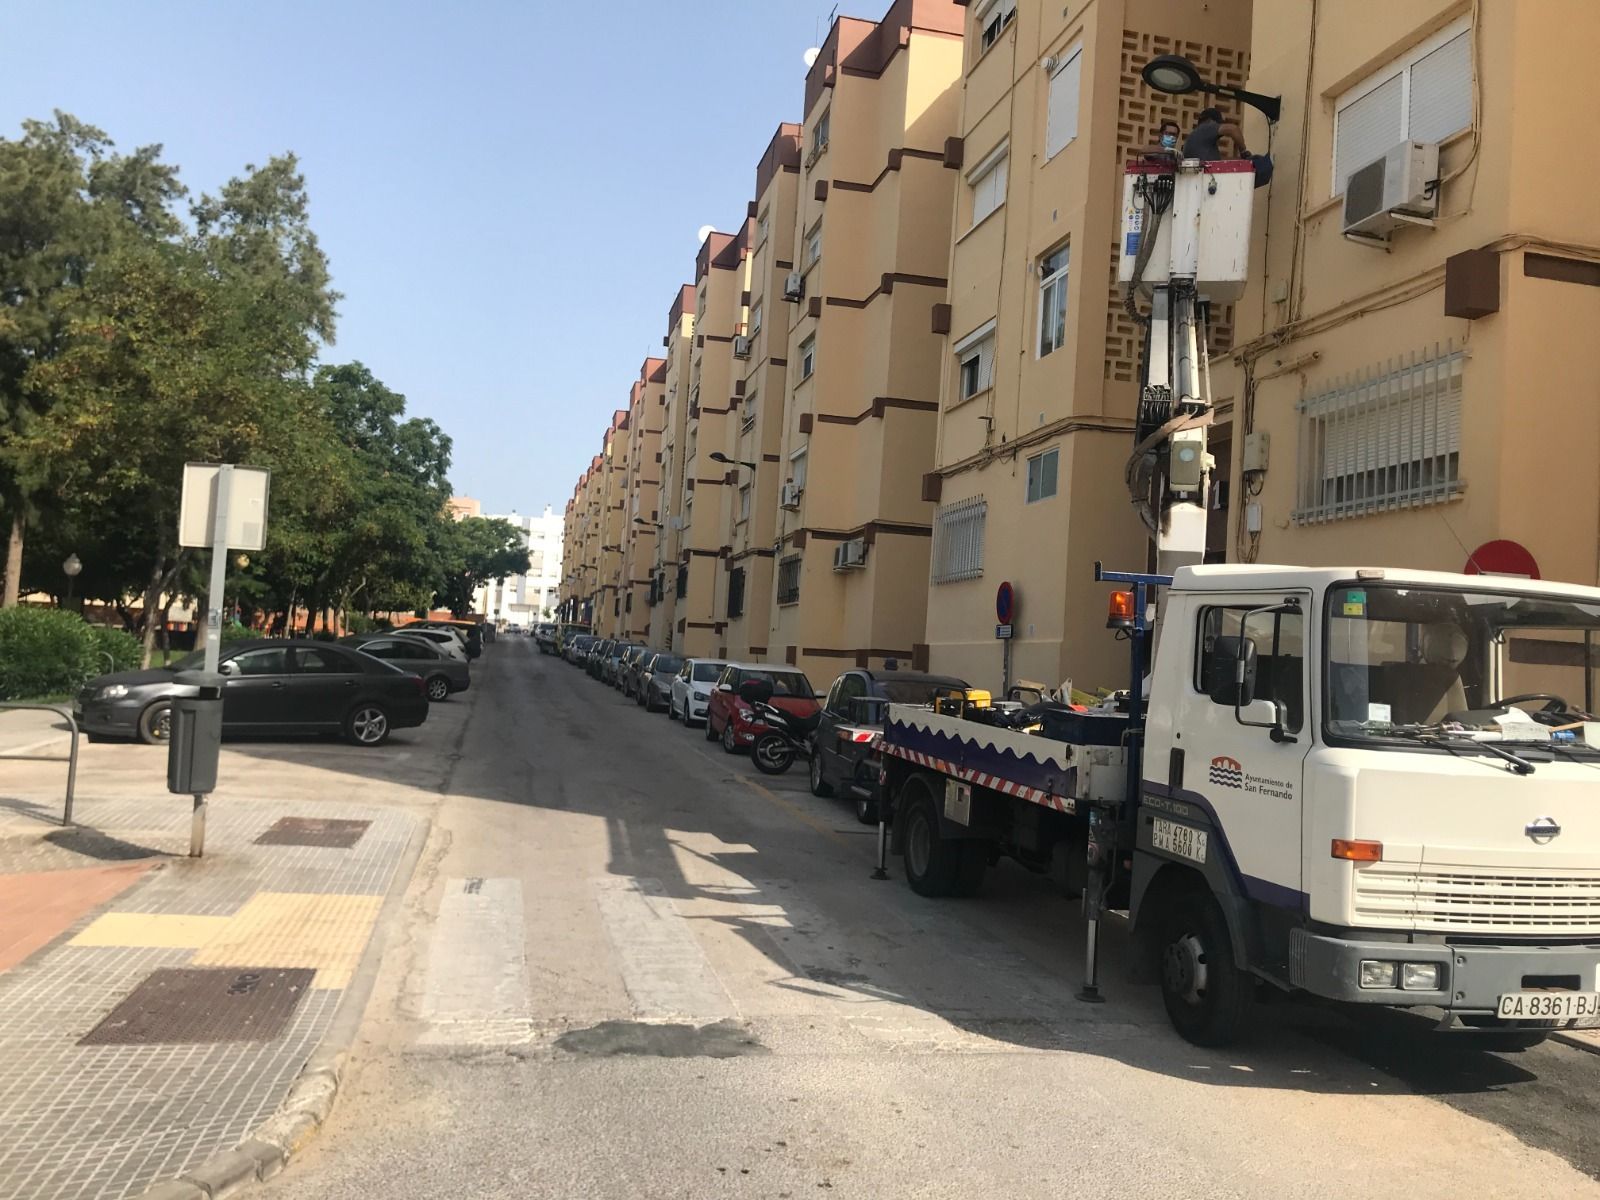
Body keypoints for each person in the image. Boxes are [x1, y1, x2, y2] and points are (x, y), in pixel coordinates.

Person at [1182, 106, 1247, 162]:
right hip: (1206, 174)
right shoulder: (1206, 128)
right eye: (1218, 123)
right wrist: (1244, 152)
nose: (1218, 125)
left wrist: (1240, 160)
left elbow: (1216, 161)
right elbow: (1234, 129)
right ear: (1211, 120)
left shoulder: (1193, 137)